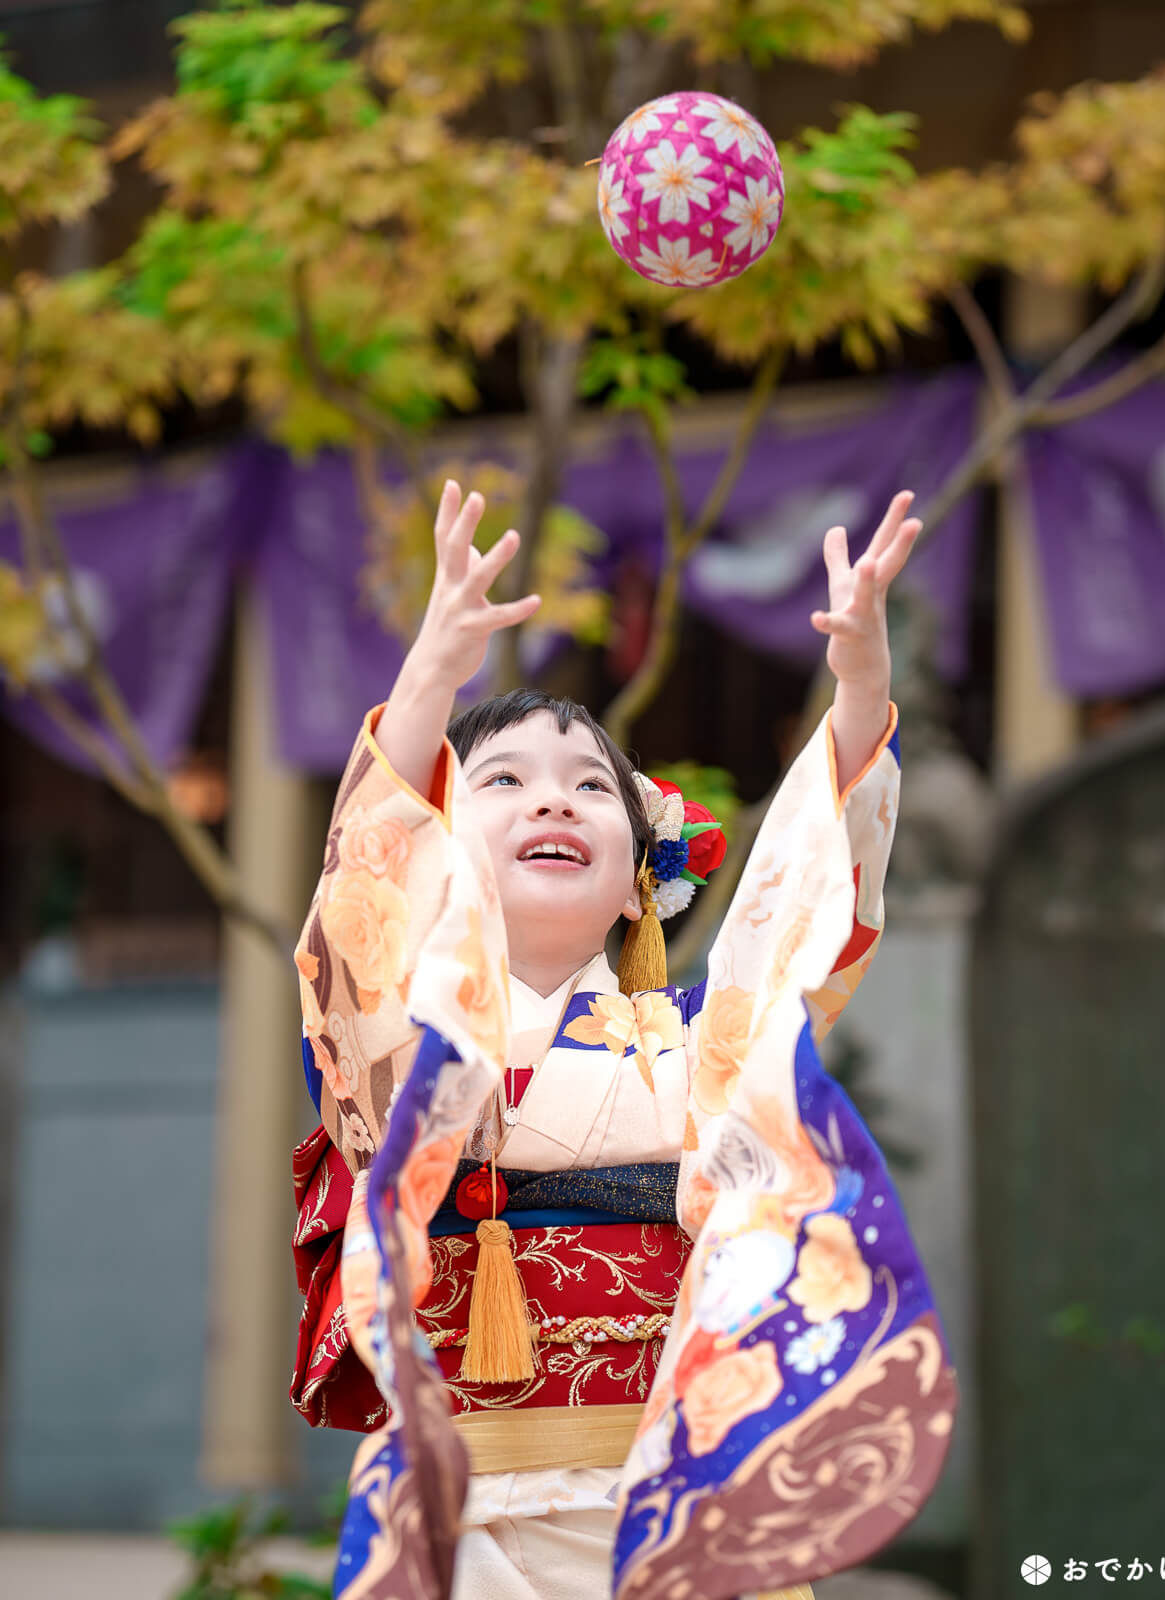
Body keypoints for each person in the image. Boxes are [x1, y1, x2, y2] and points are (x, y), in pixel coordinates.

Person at [291, 480, 958, 1600]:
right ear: (437, 857)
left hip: (672, 1499)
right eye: (500, 781)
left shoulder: (707, 1038)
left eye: (588, 786)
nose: (553, 802)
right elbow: (360, 904)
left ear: (637, 881)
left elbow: (799, 904)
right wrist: (430, 677)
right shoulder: (411, 1040)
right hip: (468, 1509)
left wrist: (858, 689)